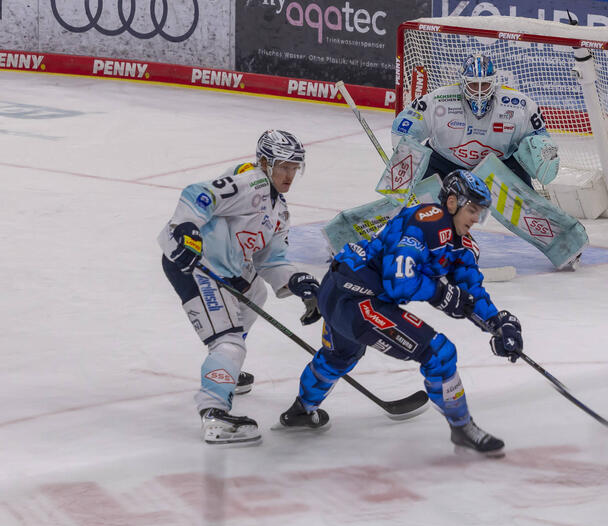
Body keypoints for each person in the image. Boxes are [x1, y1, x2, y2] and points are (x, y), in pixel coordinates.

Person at [276, 170, 524, 457]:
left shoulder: (461, 245)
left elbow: (471, 292)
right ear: (453, 202)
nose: (475, 219)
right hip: (355, 298)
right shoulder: (426, 221)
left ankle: (301, 410)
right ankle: (462, 426)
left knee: (339, 357)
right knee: (440, 353)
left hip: (340, 290)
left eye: (480, 213)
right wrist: (442, 294)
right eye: (471, 210)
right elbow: (399, 283)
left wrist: (497, 323)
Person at [158, 129, 323, 445]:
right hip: (195, 262)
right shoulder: (252, 182)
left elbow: (270, 259)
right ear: (264, 161)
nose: (289, 175)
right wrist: (188, 231)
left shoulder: (280, 209)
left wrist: (297, 282)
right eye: (283, 166)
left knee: (255, 294)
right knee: (229, 341)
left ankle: (224, 369)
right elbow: (197, 194)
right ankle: (214, 414)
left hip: (226, 266)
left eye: (294, 167)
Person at [392, 53, 560, 191]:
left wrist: (543, 150)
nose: (479, 92)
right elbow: (408, 122)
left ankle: (527, 200)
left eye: (485, 85)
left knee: (521, 175)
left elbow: (539, 135)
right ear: (462, 83)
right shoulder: (439, 99)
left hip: (499, 169)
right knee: (417, 180)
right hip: (444, 164)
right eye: (473, 85)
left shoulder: (520, 105)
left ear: (494, 82)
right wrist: (404, 149)